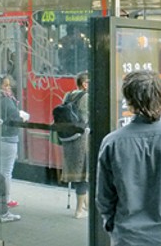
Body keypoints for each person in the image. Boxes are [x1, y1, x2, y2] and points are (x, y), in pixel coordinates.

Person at [96, 70, 161, 246]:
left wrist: (112, 227)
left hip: (127, 237)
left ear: (129, 101)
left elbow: (104, 198)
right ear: (160, 96)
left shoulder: (112, 142)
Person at [0, 75, 29, 209]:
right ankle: (5, 199)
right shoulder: (6, 100)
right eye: (5, 85)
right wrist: (23, 116)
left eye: (9, 85)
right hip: (7, 139)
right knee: (6, 171)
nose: (8, 88)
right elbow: (15, 117)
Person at [60, 71, 90, 219]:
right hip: (81, 139)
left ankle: (85, 204)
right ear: (85, 84)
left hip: (68, 139)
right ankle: (79, 210)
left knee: (76, 172)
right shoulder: (86, 96)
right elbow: (84, 118)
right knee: (83, 174)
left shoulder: (68, 95)